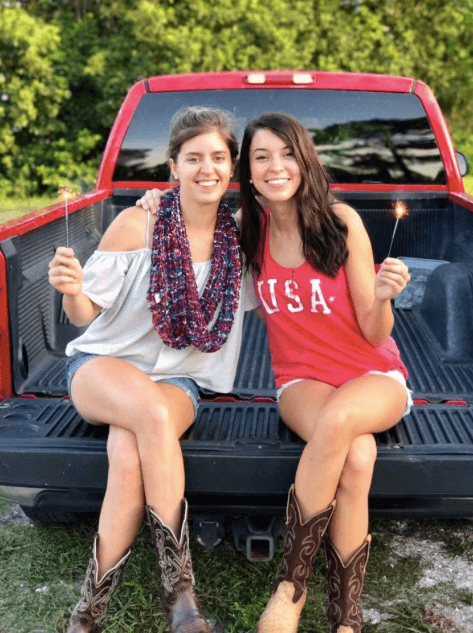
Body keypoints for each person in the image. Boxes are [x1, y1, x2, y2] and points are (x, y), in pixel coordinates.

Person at [138, 111, 411, 633]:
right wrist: (154, 201)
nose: (275, 166)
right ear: (249, 170)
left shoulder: (342, 222)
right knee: (354, 452)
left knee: (351, 441)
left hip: (372, 374)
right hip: (300, 381)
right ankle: (346, 620)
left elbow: (376, 334)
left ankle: (291, 588)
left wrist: (383, 298)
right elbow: (188, 214)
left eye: (286, 153)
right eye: (261, 156)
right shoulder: (245, 229)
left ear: (304, 160)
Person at [48, 106, 260, 633]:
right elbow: (84, 316)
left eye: (217, 157)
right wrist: (73, 291)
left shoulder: (242, 240)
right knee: (153, 419)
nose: (206, 168)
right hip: (105, 366)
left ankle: (88, 613)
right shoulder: (138, 222)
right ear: (173, 165)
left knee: (127, 451)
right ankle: (181, 596)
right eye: (193, 158)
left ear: (231, 167)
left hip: (180, 381)